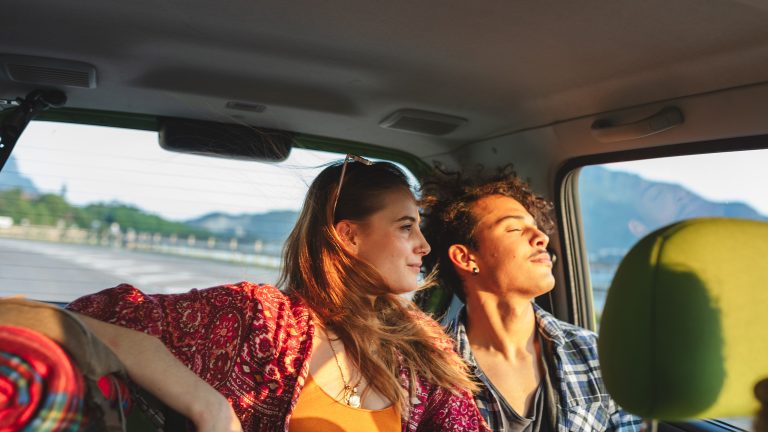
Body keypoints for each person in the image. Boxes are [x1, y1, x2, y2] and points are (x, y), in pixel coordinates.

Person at [66, 157, 489, 432]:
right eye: (405, 227)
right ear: (349, 236)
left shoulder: (423, 346)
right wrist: (206, 405)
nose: (424, 245)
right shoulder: (259, 318)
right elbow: (83, 321)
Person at [419, 167, 643, 431]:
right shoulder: (429, 370)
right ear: (466, 258)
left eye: (536, 227)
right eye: (514, 229)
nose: (542, 238)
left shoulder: (593, 353)